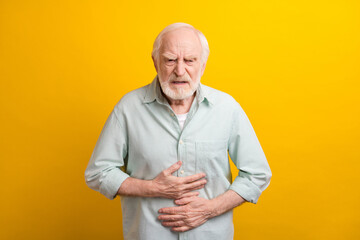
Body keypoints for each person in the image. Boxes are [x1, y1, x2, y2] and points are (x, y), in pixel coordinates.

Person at [85, 22, 271, 240]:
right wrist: (152, 188)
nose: (180, 71)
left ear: (202, 65)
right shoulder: (128, 108)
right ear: (156, 62)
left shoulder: (227, 108)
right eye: (170, 60)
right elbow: (98, 173)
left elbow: (257, 174)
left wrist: (210, 209)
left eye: (190, 60)